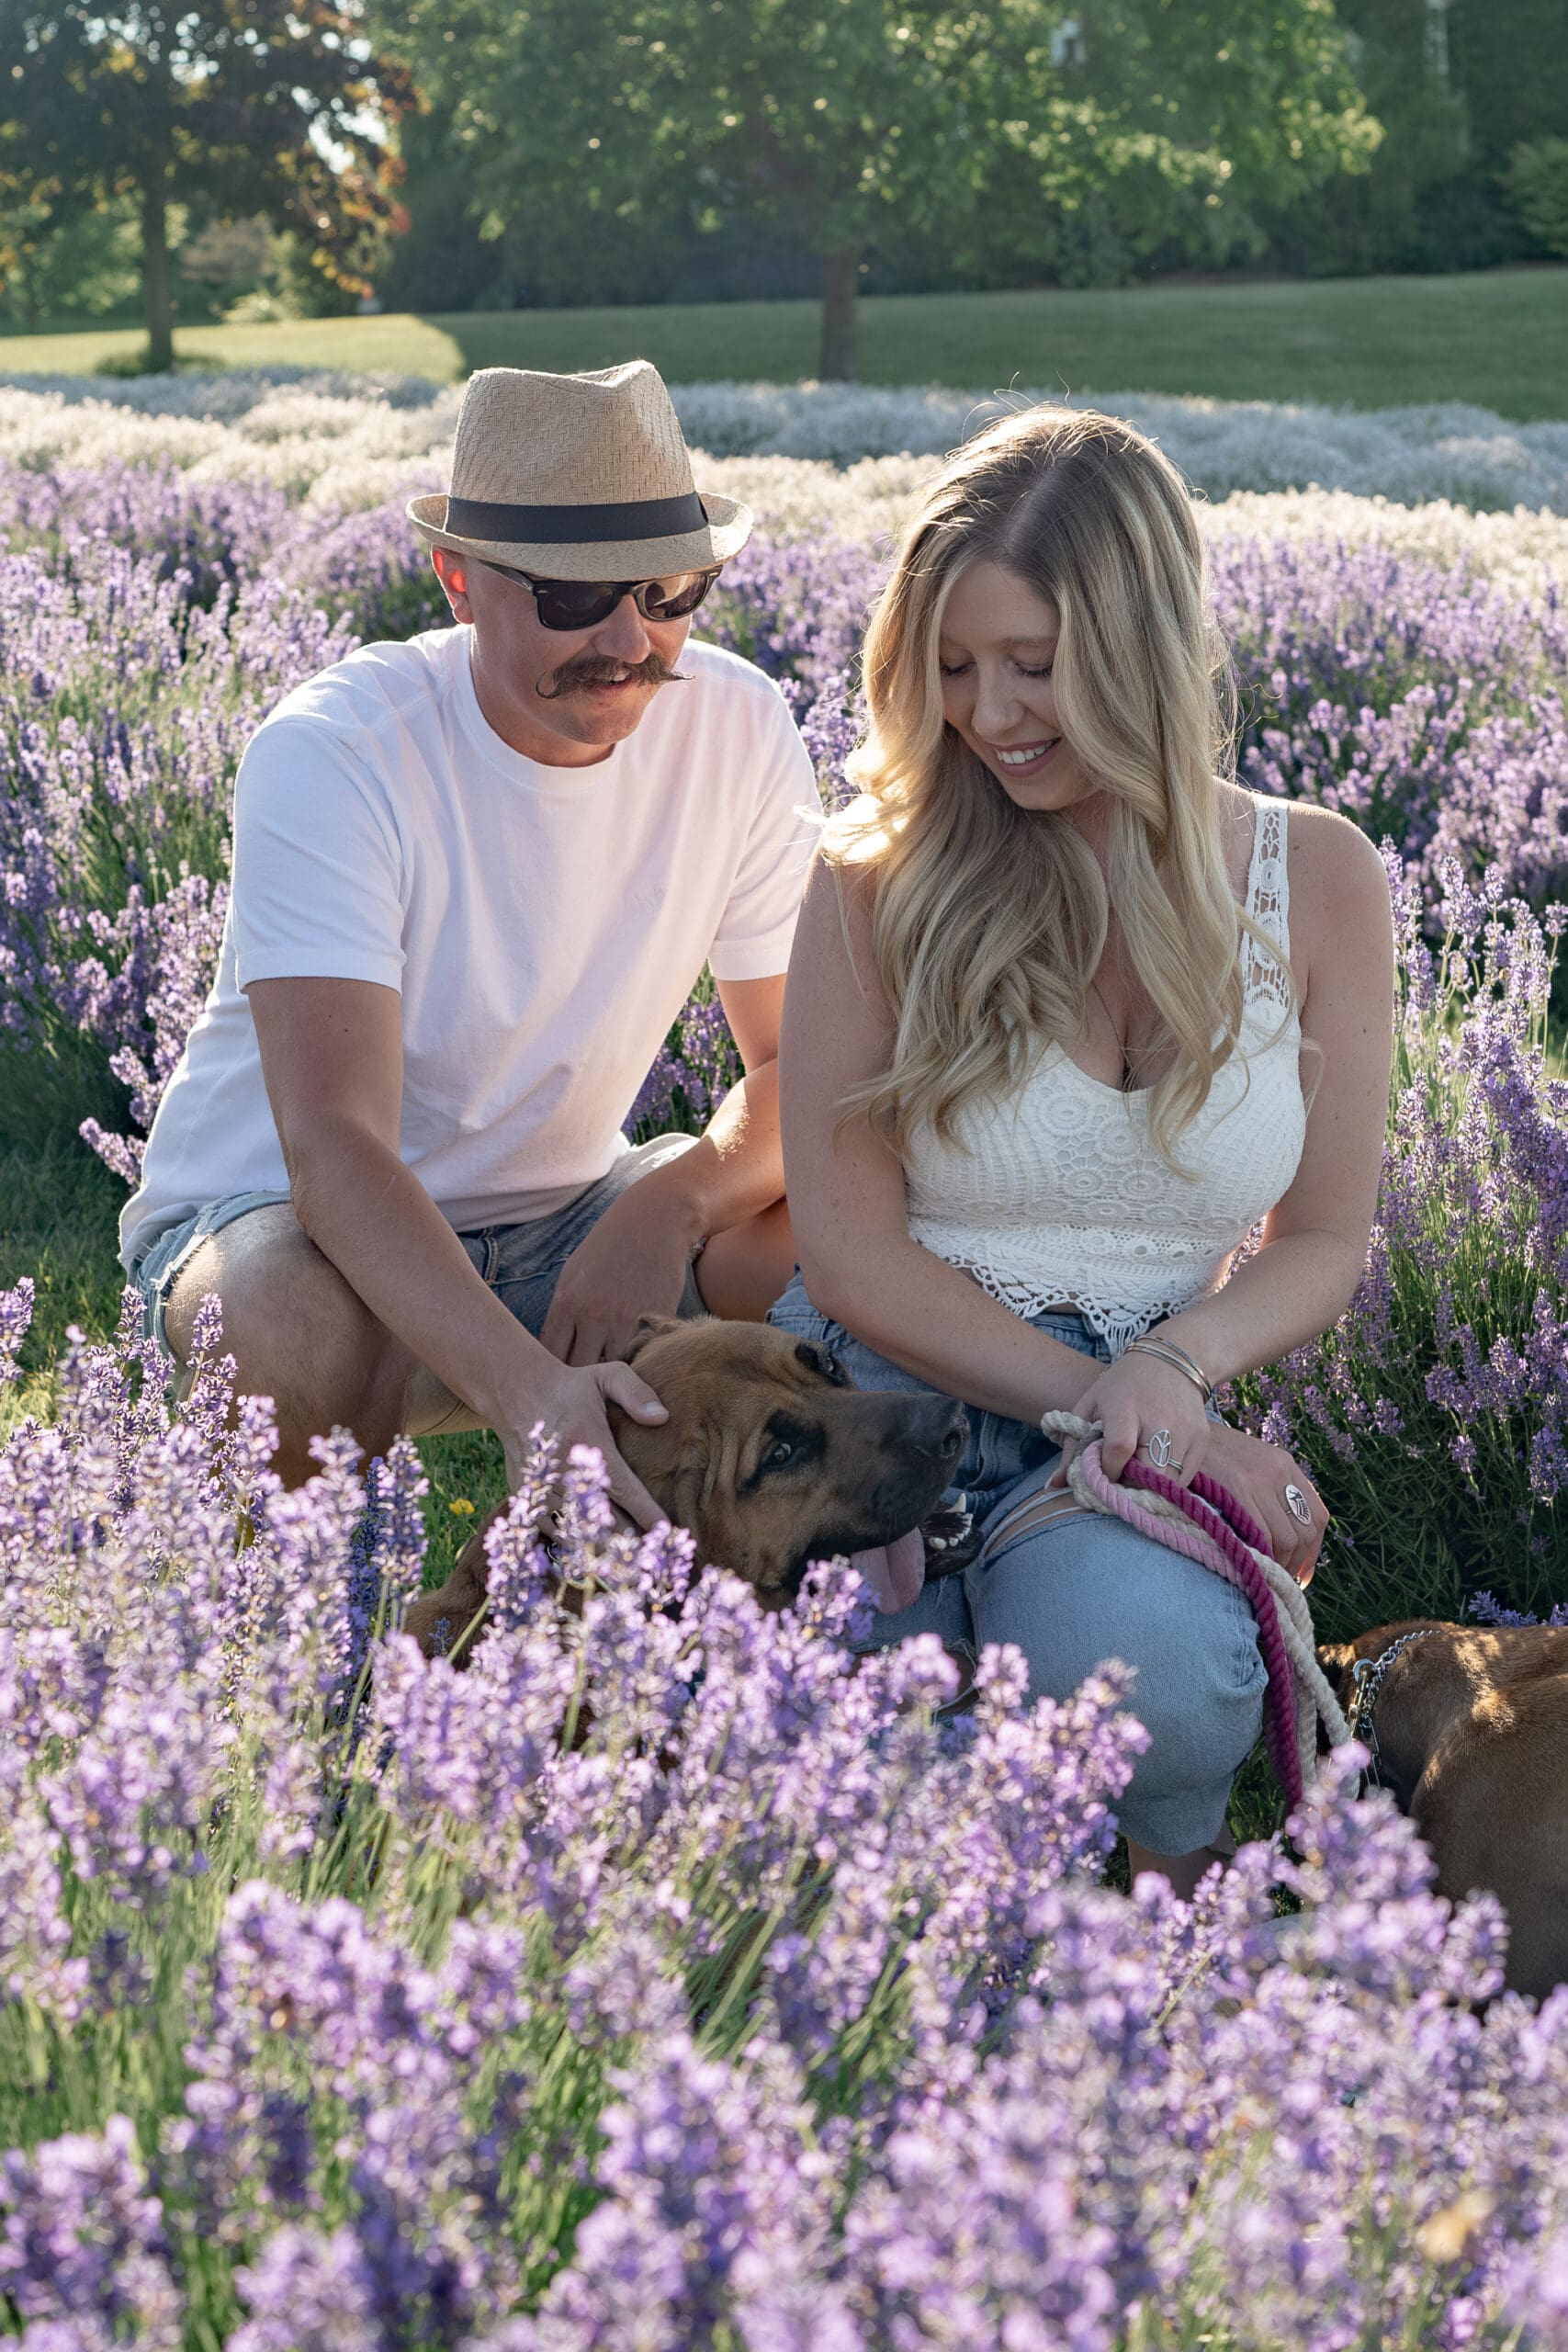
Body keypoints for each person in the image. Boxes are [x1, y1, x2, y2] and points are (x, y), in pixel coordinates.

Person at [769, 404, 1394, 1896]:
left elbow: (1321, 1236)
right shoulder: (878, 881)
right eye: (954, 666)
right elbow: (848, 1252)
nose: (986, 713)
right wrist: (1113, 1404)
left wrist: (1171, 1371)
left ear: (1143, 647)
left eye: (1033, 665)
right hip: (874, 1403)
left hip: (1128, 1416)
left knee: (1160, 1693)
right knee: (871, 1789)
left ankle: (1165, 1953)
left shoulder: (1314, 878)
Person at [121, 361, 820, 1518]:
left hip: (571, 1214)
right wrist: (530, 1395)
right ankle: (302, 1649)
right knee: (288, 1327)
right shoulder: (340, 751)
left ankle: (752, 1619)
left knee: (837, 1228)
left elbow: (806, 1074)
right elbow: (335, 1151)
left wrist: (667, 1203)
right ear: (456, 579)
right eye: (567, 597)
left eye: (667, 590)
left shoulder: (738, 726)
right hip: (285, 1222)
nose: (626, 637)